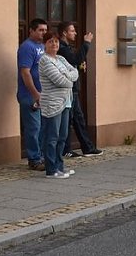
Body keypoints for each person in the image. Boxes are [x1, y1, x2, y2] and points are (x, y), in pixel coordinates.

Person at [57, 21, 102, 158]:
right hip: (68, 89)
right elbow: (75, 59)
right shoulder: (63, 48)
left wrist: (79, 67)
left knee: (76, 118)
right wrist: (86, 43)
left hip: (73, 88)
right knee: (71, 119)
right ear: (64, 33)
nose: (75, 33)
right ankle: (69, 149)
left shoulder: (68, 47)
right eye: (72, 30)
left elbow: (74, 62)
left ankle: (85, 147)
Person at [38, 31, 79, 178]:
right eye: (50, 42)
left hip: (66, 102)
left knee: (63, 136)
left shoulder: (61, 58)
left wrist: (68, 76)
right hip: (53, 103)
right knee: (52, 137)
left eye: (56, 41)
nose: (54, 44)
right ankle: (51, 169)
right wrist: (69, 79)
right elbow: (59, 80)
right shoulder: (44, 60)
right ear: (45, 44)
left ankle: (60, 166)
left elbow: (75, 72)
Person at [17, 18, 48, 171]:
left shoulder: (42, 46)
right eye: (40, 30)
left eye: (45, 30)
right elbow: (25, 72)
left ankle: (41, 156)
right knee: (33, 128)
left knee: (42, 128)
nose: (43, 33)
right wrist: (35, 93)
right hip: (30, 95)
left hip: (43, 94)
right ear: (32, 30)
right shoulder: (27, 47)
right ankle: (34, 159)